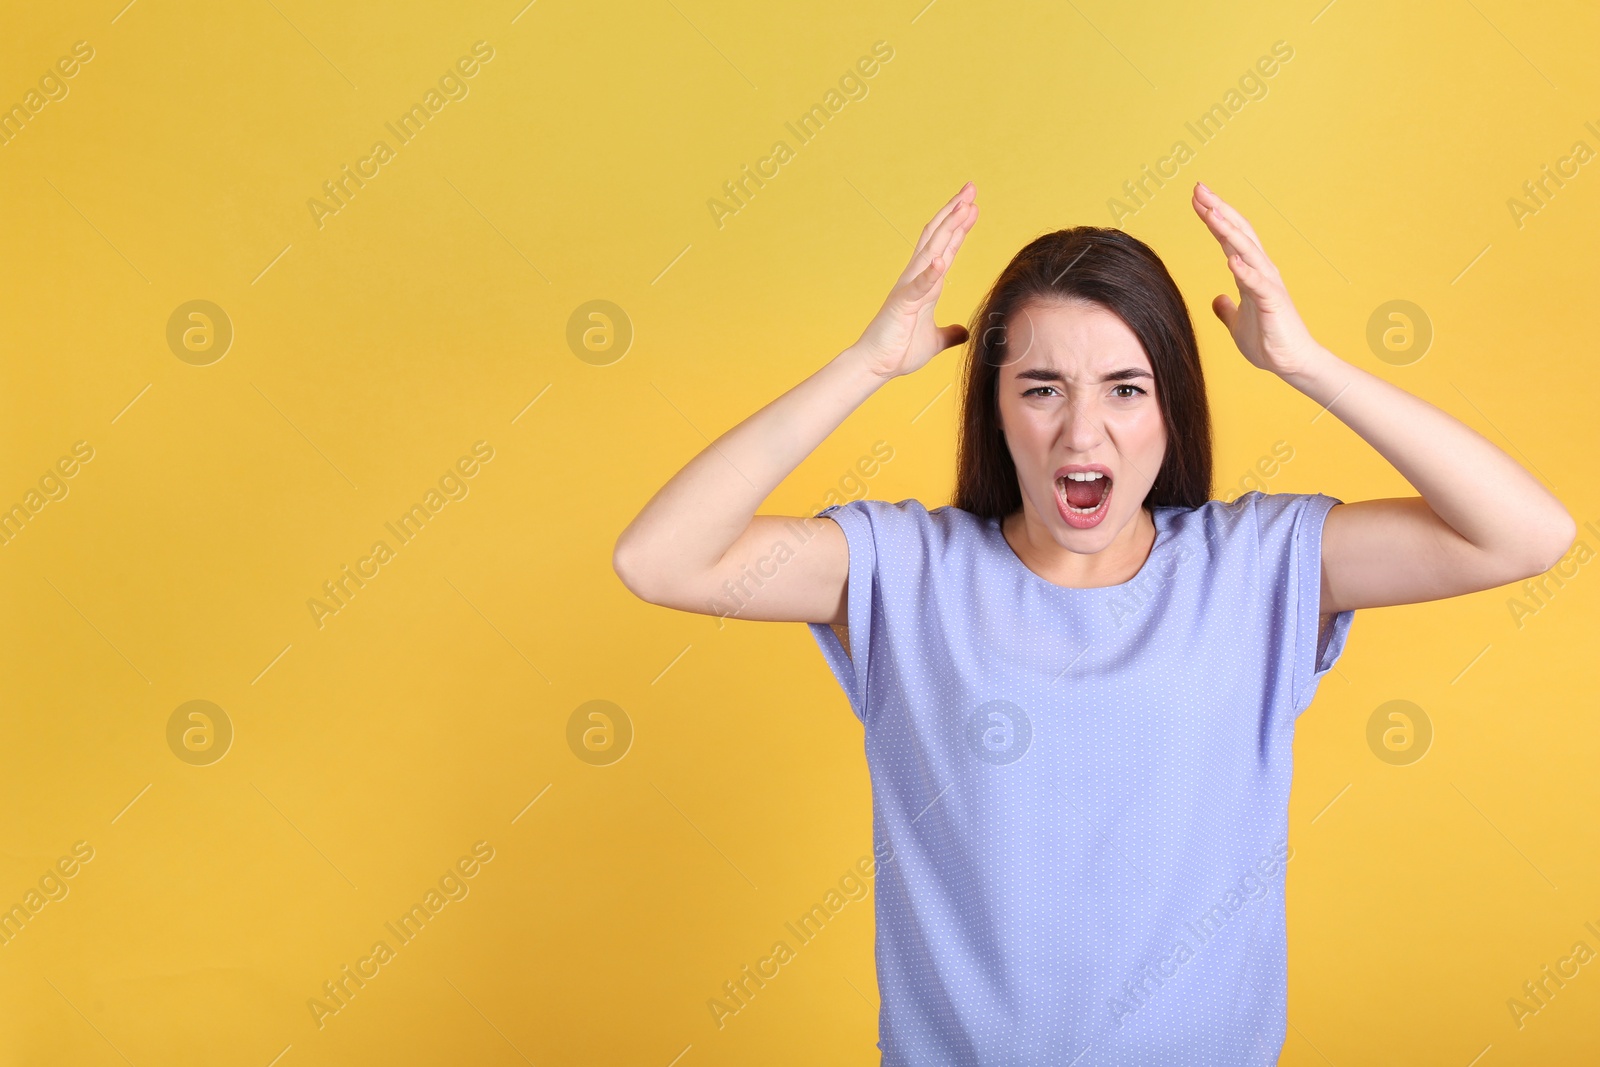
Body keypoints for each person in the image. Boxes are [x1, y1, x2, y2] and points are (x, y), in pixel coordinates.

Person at [611, 181, 1575, 1064]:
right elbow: (660, 559)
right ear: (995, 410)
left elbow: (1526, 534)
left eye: (1126, 386)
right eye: (1042, 387)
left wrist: (1306, 364)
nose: (1083, 431)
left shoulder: (1258, 566)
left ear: (1171, 408)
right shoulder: (905, 572)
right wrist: (863, 367)